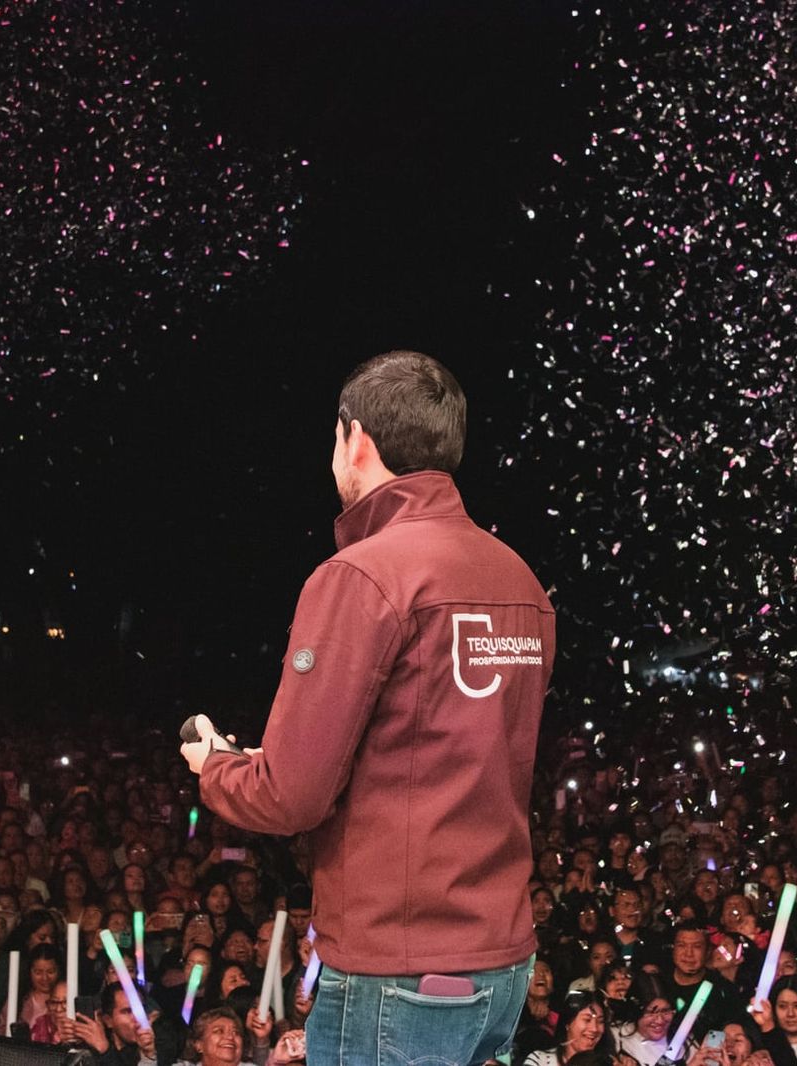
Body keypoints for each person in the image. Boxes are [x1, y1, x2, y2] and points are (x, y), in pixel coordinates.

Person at [183, 351, 555, 1066]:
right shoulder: (521, 582)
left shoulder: (363, 576)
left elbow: (292, 797)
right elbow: (449, 753)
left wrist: (219, 768)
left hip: (402, 969)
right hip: (503, 963)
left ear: (356, 438)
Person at [523, 989, 609, 1065]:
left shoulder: (608, 1062)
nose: (594, 1029)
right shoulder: (540, 1060)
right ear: (568, 1022)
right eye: (587, 1020)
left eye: (600, 1021)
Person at [610, 972, 675, 1065]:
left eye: (666, 1011)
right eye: (651, 1012)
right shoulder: (615, 1039)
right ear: (636, 1012)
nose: (660, 1020)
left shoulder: (682, 1038)